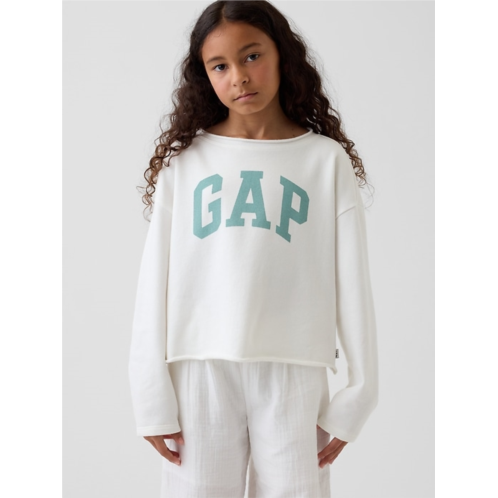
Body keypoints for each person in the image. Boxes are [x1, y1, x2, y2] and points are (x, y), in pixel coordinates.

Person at [129, 0, 378, 496]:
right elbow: (153, 280)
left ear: (282, 54)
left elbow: (353, 282)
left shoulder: (323, 161)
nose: (239, 77)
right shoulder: (186, 164)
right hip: (199, 369)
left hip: (294, 369)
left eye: (252, 56)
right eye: (219, 65)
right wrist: (149, 393)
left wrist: (360, 391)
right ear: (205, 76)